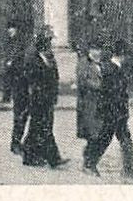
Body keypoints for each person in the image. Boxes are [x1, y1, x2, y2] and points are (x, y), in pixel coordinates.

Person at [85, 39, 133, 178]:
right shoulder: (109, 69)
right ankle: (89, 164)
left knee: (121, 138)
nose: (128, 58)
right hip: (111, 111)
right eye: (127, 55)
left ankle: (130, 168)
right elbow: (109, 92)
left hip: (116, 111)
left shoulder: (112, 67)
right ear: (122, 55)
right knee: (106, 138)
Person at [20, 25, 65, 168]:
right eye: (48, 40)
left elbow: (54, 75)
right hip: (37, 97)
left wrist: (54, 93)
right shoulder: (31, 54)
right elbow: (30, 76)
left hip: (48, 97)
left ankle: (40, 156)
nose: (50, 43)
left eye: (51, 40)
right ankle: (50, 158)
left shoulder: (48, 55)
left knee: (41, 127)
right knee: (41, 126)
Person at [74, 44, 104, 149]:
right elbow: (83, 81)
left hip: (99, 100)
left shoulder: (101, 63)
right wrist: (99, 86)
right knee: (91, 131)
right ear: (90, 50)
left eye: (99, 49)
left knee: (98, 130)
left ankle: (90, 156)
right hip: (88, 100)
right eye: (95, 49)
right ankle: (89, 158)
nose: (97, 52)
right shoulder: (84, 62)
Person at [6, 27, 30, 154]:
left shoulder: (20, 53)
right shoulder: (18, 55)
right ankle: (15, 143)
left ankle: (19, 142)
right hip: (20, 90)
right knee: (21, 117)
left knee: (22, 117)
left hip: (23, 89)